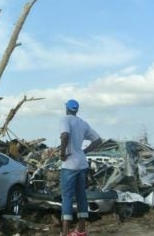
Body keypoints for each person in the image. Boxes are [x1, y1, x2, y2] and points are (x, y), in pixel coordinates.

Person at [60, 99, 102, 236]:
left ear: (67, 108)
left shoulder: (65, 120)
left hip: (69, 164)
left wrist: (62, 153)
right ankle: (81, 230)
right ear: (76, 110)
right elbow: (98, 140)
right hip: (82, 163)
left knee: (67, 197)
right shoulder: (83, 123)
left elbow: (65, 135)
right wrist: (84, 152)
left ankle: (65, 233)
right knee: (81, 196)